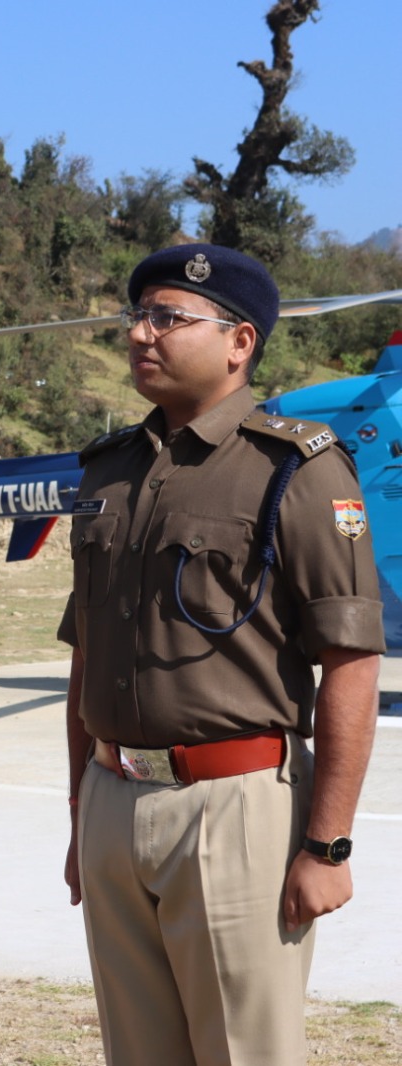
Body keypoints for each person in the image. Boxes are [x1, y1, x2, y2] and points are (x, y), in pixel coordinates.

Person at [61, 244, 384, 1065]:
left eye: (168, 318)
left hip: (234, 809)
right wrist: (79, 816)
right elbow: (87, 655)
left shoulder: (296, 470)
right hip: (111, 799)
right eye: (138, 315)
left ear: (240, 342)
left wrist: (327, 845)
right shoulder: (110, 472)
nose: (141, 333)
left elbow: (351, 662)